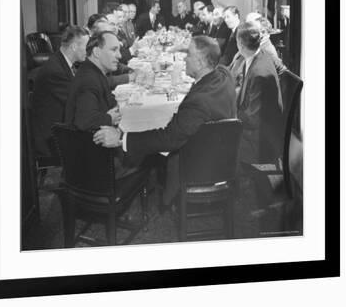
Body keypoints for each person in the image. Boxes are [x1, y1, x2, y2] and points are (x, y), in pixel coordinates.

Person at [93, 36, 237, 200]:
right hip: (222, 156)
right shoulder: (224, 74)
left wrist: (121, 138)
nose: (184, 59)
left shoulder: (198, 103)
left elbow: (169, 138)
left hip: (198, 165)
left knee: (146, 146)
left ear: (201, 63)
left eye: (188, 54)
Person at [32, 25, 89, 156]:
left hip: (63, 124)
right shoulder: (55, 71)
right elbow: (78, 102)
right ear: (74, 47)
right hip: (52, 137)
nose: (89, 51)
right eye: (87, 46)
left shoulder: (63, 62)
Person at [236, 23, 284, 164]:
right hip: (255, 129)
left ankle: (235, 182)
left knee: (213, 139)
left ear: (240, 44)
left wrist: (227, 114)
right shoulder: (257, 54)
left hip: (259, 142)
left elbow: (253, 118)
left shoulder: (260, 74)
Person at [64, 31, 122, 132]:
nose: (119, 56)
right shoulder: (89, 80)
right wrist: (110, 118)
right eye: (114, 50)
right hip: (88, 144)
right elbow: (85, 121)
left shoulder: (94, 71)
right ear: (97, 52)